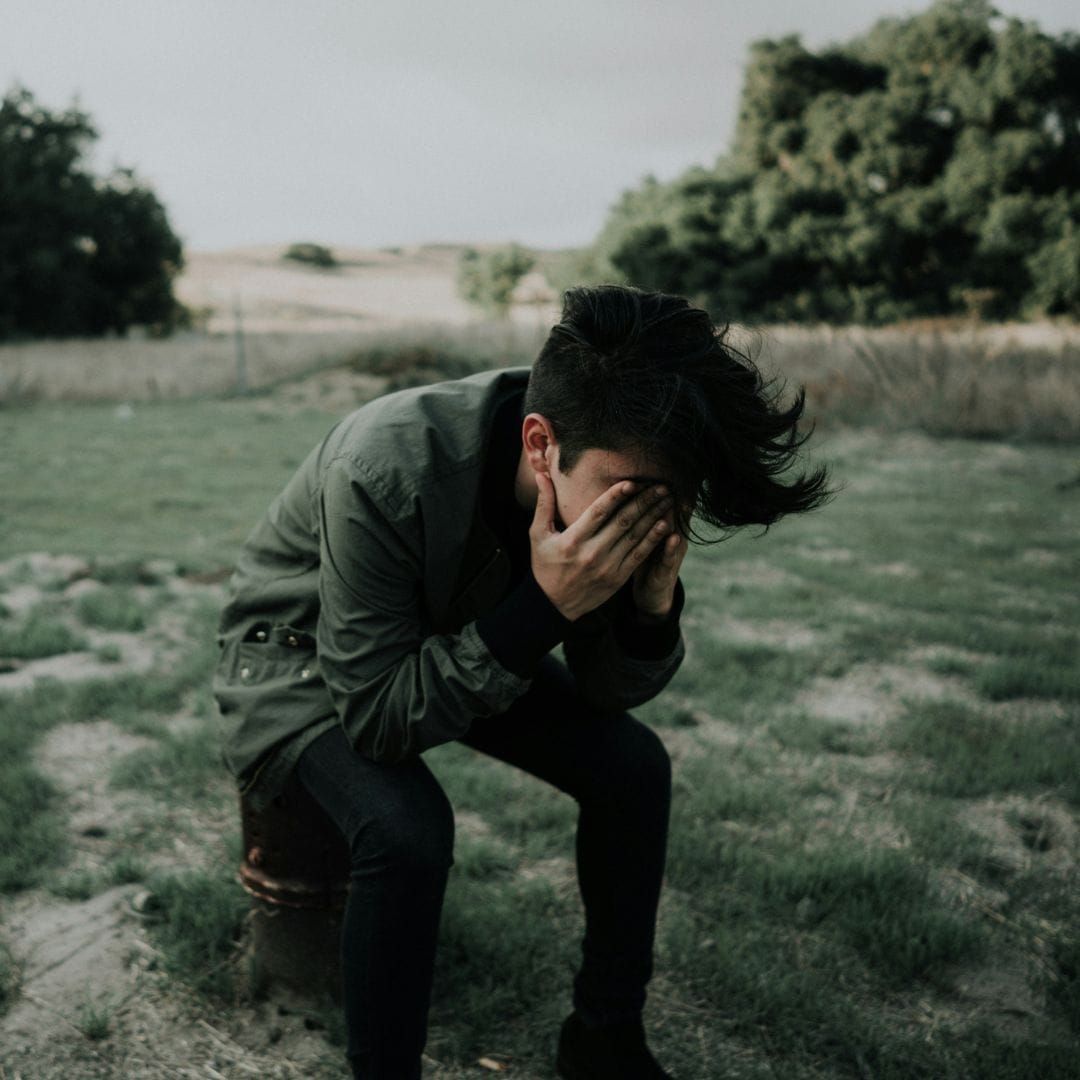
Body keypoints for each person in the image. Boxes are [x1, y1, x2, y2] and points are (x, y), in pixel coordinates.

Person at [212, 284, 831, 1079]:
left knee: (634, 768)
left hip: (453, 638)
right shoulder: (383, 464)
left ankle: (604, 1041)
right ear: (540, 446)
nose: (648, 519)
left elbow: (606, 693)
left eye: (673, 499)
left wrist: (648, 613)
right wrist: (544, 607)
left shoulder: (607, 452)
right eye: (630, 497)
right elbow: (376, 717)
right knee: (407, 831)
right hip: (301, 659)